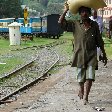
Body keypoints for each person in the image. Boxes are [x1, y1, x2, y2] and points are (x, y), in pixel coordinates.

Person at [58, 3, 107, 105]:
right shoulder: (75, 24)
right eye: (82, 11)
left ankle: (86, 97)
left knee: (90, 76)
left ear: (89, 13)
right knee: (80, 77)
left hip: (91, 55)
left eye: (86, 11)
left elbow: (99, 41)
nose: (84, 13)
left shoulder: (94, 25)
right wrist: (66, 10)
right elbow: (60, 22)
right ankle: (81, 88)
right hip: (79, 54)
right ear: (79, 13)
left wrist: (104, 54)